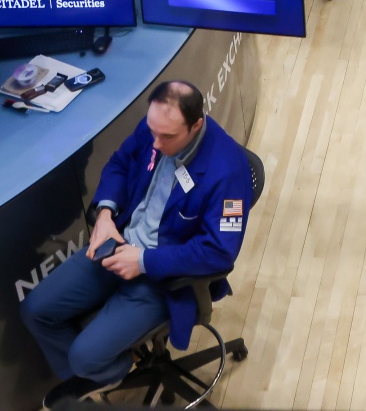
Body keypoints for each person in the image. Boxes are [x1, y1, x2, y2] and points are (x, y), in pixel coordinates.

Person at [19, 80, 256, 407]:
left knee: (83, 356)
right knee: (36, 310)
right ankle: (88, 379)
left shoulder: (228, 171)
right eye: (152, 131)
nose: (155, 144)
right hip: (117, 244)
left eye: (167, 137)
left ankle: (111, 369)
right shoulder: (157, 128)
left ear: (196, 124)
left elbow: (218, 252)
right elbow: (120, 164)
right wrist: (105, 215)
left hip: (164, 277)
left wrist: (143, 260)